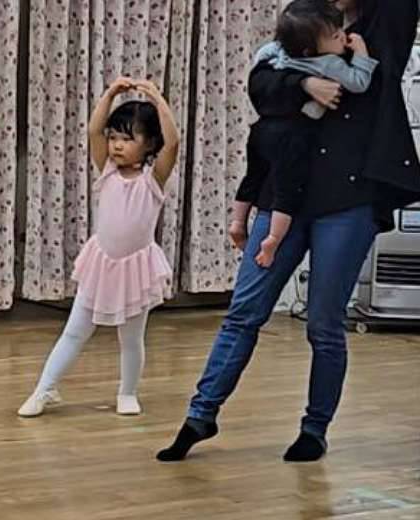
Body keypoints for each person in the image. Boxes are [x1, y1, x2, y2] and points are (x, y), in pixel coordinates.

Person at [157, 0, 420, 463]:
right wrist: (304, 84)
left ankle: (314, 429)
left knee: (324, 323)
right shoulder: (303, 17)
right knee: (244, 312)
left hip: (349, 198)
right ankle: (201, 415)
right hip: (284, 195)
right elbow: (260, 83)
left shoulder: (383, 29)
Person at [18, 78, 179, 417]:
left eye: (128, 139)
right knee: (74, 331)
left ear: (150, 144)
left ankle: (127, 393)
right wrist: (109, 94)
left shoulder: (153, 180)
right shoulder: (107, 171)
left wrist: (157, 98)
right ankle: (44, 388)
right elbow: (93, 130)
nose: (117, 145)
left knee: (131, 339)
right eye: (114, 137)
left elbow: (173, 142)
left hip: (136, 269)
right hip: (101, 264)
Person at [230, 0, 378, 268]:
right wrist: (361, 53)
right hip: (292, 134)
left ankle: (237, 222)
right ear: (311, 49)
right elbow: (359, 82)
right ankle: (273, 240)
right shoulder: (329, 63)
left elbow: (259, 60)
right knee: (286, 190)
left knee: (254, 176)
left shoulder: (276, 50)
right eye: (335, 35)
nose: (342, 36)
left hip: (262, 130)